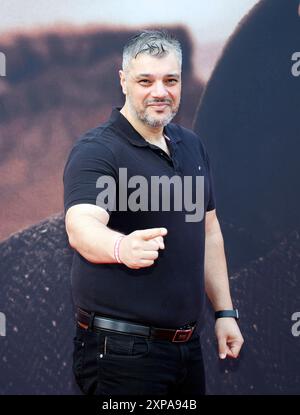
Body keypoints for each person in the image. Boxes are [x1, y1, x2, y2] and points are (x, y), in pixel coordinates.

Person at [63, 30, 244, 396]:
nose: (160, 91)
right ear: (123, 81)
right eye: (145, 80)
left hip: (186, 350)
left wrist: (224, 313)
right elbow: (80, 225)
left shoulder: (192, 145)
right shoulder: (97, 151)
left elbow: (208, 232)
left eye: (170, 80)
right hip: (120, 353)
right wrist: (121, 248)